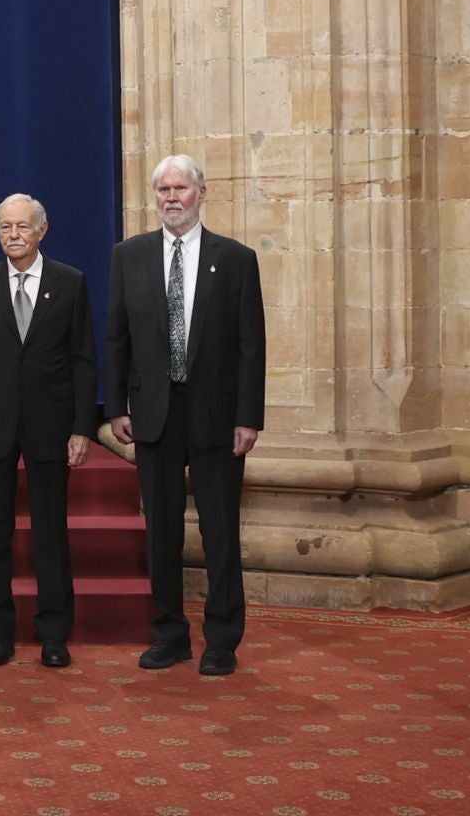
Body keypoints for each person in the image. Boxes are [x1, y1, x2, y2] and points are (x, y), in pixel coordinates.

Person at [106, 155, 264, 677]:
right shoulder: (129, 256)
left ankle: (222, 641)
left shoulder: (236, 259)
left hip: (217, 417)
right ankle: (169, 635)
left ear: (202, 192)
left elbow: (250, 346)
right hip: (153, 414)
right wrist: (115, 410)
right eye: (163, 190)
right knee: (162, 533)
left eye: (181, 188)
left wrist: (249, 417)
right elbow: (117, 339)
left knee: (219, 532)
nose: (171, 198)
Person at [0, 194, 97, 669]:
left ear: (42, 230)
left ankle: (54, 635)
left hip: (51, 425)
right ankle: (1, 635)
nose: (13, 235)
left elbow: (82, 362)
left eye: (22, 227)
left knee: (50, 534)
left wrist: (81, 428)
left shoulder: (70, 283)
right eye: (5, 228)